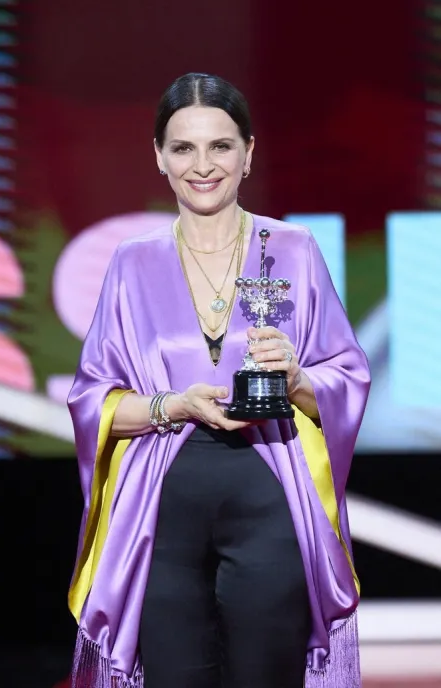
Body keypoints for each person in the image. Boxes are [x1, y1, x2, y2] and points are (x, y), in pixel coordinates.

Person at [67, 73, 371, 688]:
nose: (202, 165)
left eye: (220, 146)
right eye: (183, 148)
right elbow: (91, 399)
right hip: (160, 511)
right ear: (158, 157)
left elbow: (346, 378)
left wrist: (293, 377)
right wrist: (172, 404)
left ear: (249, 153)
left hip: (269, 496)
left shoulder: (293, 247)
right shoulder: (132, 261)